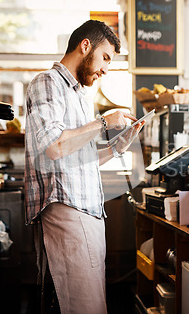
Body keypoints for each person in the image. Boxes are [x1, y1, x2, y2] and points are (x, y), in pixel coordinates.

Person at [24, 20, 144, 314]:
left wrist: (118, 146)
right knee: (84, 307)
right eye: (105, 58)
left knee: (89, 303)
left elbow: (79, 156)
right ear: (85, 46)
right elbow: (54, 146)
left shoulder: (79, 96)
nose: (105, 69)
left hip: (86, 212)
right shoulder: (48, 83)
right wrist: (103, 122)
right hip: (67, 210)